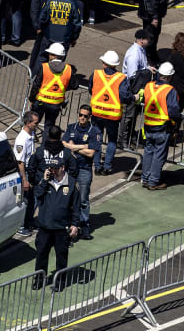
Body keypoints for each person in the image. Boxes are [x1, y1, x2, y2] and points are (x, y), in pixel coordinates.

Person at [31, 161, 81, 289]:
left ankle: (60, 282)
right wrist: (43, 181)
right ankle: (39, 280)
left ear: (62, 168)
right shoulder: (46, 181)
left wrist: (75, 225)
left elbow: (76, 207)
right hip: (45, 226)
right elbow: (37, 195)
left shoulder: (71, 183)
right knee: (41, 254)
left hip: (61, 228)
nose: (52, 170)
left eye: (54, 168)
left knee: (61, 257)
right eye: (50, 168)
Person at [89, 51, 133, 176]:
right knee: (112, 141)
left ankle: (97, 166)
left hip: (97, 113)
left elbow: (90, 89)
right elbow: (124, 96)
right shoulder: (122, 78)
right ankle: (107, 167)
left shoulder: (96, 74)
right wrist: (133, 98)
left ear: (104, 63)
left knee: (96, 139)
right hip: (112, 116)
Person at [139, 62, 181, 190]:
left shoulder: (149, 86)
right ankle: (153, 181)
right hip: (162, 128)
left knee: (148, 152)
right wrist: (178, 119)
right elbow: (173, 111)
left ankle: (145, 179)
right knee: (159, 155)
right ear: (169, 77)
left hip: (148, 125)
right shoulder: (170, 90)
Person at [62, 105, 101, 240]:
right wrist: (82, 146)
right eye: (81, 115)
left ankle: (84, 227)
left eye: (85, 116)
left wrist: (74, 147)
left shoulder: (93, 131)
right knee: (67, 197)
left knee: (83, 200)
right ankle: (68, 225)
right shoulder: (71, 127)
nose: (82, 118)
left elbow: (91, 153)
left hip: (84, 169)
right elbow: (64, 144)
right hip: (69, 170)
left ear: (89, 117)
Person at [29, 43, 77, 135]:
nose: (49, 55)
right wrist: (63, 86)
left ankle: (29, 143)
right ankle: (44, 148)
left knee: (32, 124)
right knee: (49, 127)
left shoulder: (44, 67)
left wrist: (31, 98)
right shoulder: (69, 69)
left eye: (50, 54)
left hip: (40, 102)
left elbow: (36, 85)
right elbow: (75, 85)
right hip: (55, 104)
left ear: (54, 56)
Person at [36, 0, 83, 71]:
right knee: (59, 62)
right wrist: (74, 38)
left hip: (48, 37)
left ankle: (36, 79)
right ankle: (54, 80)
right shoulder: (73, 4)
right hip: (64, 39)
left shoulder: (50, 1)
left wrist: (41, 28)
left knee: (42, 58)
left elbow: (42, 18)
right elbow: (77, 24)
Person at [122, 29, 155, 149]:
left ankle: (130, 137)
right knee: (128, 116)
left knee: (134, 115)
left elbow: (141, 68)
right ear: (141, 40)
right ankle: (123, 140)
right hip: (132, 89)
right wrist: (146, 71)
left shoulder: (141, 51)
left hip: (138, 88)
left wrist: (148, 68)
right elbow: (132, 75)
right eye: (148, 39)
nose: (149, 41)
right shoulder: (134, 54)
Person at [14, 111, 40, 237]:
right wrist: (25, 180)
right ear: (28, 123)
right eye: (36, 123)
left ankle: (29, 222)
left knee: (33, 199)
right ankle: (21, 225)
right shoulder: (22, 139)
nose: (38, 125)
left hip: (32, 169)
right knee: (25, 200)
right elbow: (20, 162)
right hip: (26, 171)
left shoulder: (31, 133)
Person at [28, 0, 60, 72]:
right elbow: (34, 13)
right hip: (41, 28)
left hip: (51, 28)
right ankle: (32, 69)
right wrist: (37, 27)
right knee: (37, 49)